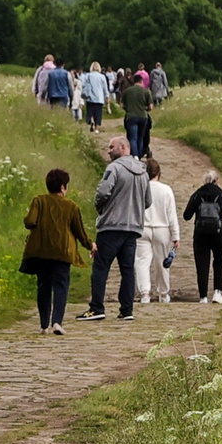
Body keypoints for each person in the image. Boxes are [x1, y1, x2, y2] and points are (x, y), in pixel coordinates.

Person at [19, 166, 93, 334]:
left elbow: (29, 222)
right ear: (62, 187)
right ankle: (57, 322)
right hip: (62, 252)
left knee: (43, 285)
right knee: (61, 286)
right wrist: (90, 245)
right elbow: (79, 231)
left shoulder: (38, 200)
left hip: (41, 251)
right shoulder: (71, 206)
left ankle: (43, 324)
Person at [81, 133, 147, 321]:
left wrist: (101, 207)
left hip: (111, 226)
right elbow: (147, 200)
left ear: (124, 148)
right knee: (127, 270)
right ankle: (127, 310)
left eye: (112, 147)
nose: (108, 151)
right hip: (133, 228)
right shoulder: (143, 172)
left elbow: (102, 192)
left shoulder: (114, 168)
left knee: (101, 268)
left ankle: (97, 307)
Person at [182, 167, 222, 304]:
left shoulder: (197, 195)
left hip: (201, 234)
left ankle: (203, 296)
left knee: (202, 263)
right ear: (216, 181)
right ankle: (217, 292)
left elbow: (186, 216)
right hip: (219, 233)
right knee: (219, 261)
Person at [135, 155, 178, 304]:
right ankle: (163, 293)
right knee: (162, 262)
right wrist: (175, 236)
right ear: (158, 173)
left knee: (141, 261)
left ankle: (145, 292)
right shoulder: (166, 190)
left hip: (143, 228)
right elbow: (171, 215)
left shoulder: (140, 189)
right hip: (162, 228)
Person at [121, 69, 154, 158]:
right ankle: (139, 156)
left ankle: (135, 156)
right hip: (143, 117)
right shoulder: (146, 91)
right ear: (141, 81)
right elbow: (150, 107)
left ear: (134, 81)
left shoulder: (127, 91)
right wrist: (144, 108)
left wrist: (129, 109)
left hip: (131, 117)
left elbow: (122, 105)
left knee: (133, 138)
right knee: (140, 138)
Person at [80, 60, 109, 130]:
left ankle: (91, 120)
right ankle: (96, 127)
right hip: (99, 97)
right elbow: (105, 88)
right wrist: (106, 97)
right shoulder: (102, 77)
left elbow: (83, 85)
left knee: (90, 111)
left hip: (90, 97)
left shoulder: (88, 75)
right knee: (98, 113)